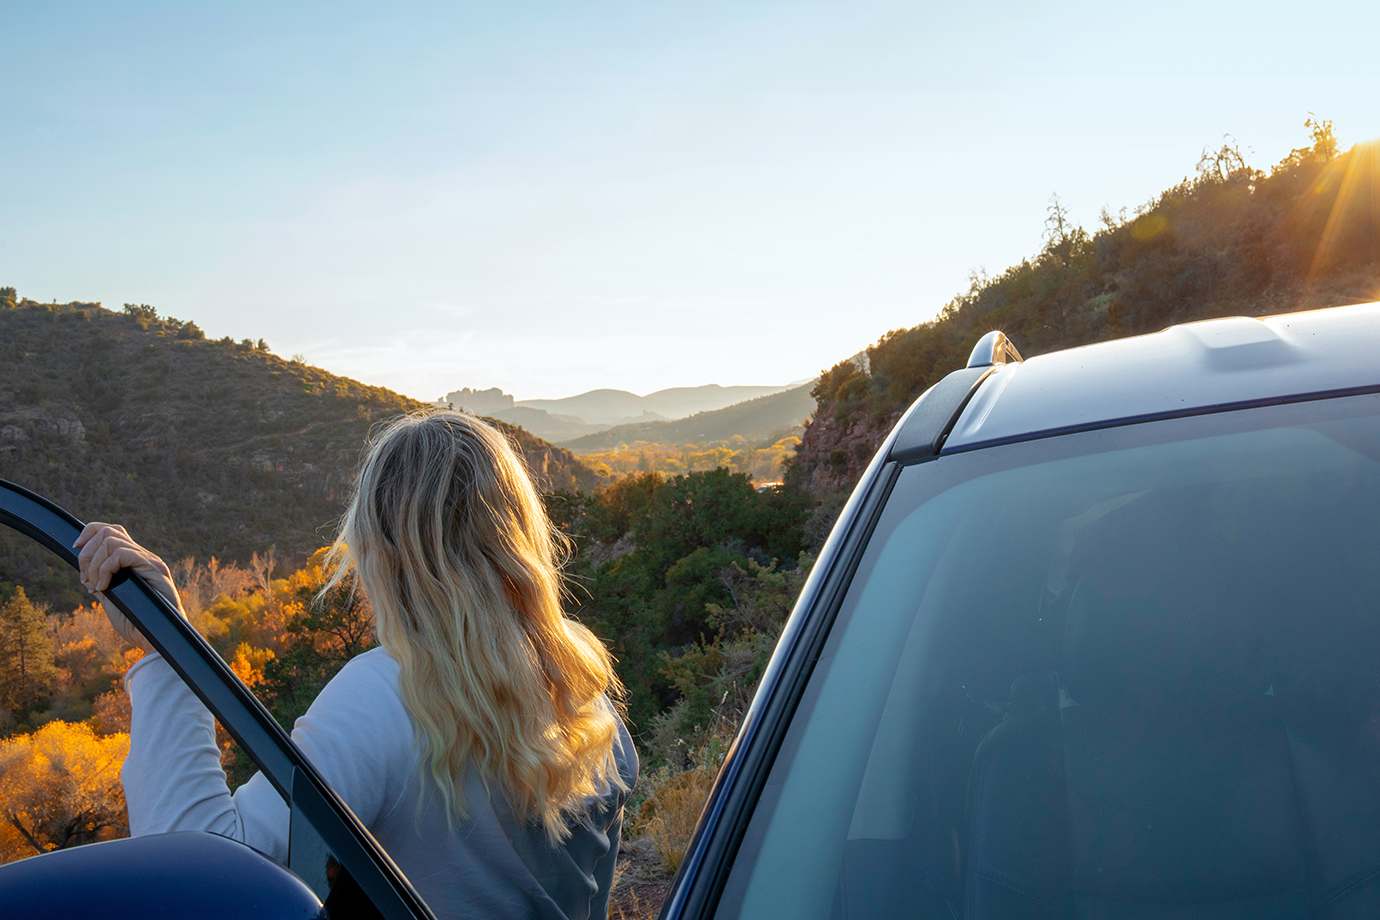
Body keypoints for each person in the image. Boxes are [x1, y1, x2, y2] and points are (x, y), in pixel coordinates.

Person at [75, 410, 638, 919]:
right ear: (518, 536)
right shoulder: (590, 694)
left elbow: (193, 875)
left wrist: (166, 653)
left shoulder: (387, 696)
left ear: (380, 553)